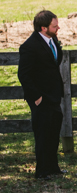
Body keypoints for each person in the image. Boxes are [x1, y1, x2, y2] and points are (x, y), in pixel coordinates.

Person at [17, 10, 66, 179]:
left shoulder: (52, 41)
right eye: (54, 26)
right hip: (41, 98)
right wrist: (36, 96)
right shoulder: (29, 46)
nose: (58, 27)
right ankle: (42, 170)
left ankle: (53, 167)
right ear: (43, 28)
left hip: (54, 95)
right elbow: (24, 74)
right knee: (43, 134)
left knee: (54, 132)